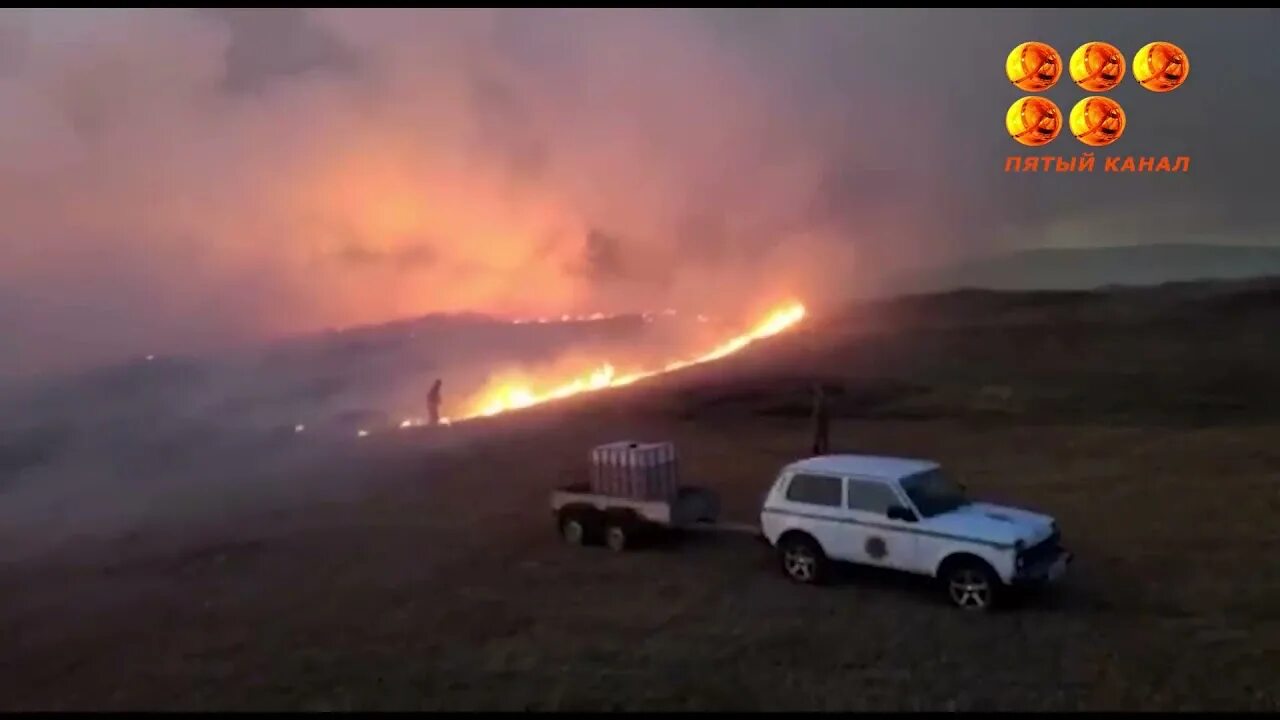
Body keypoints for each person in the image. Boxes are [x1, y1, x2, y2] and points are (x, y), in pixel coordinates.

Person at [811, 381, 830, 456]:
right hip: (821, 417)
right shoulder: (821, 398)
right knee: (822, 433)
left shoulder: (819, 398)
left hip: (821, 417)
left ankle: (821, 447)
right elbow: (820, 409)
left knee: (820, 433)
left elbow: (818, 409)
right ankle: (822, 448)